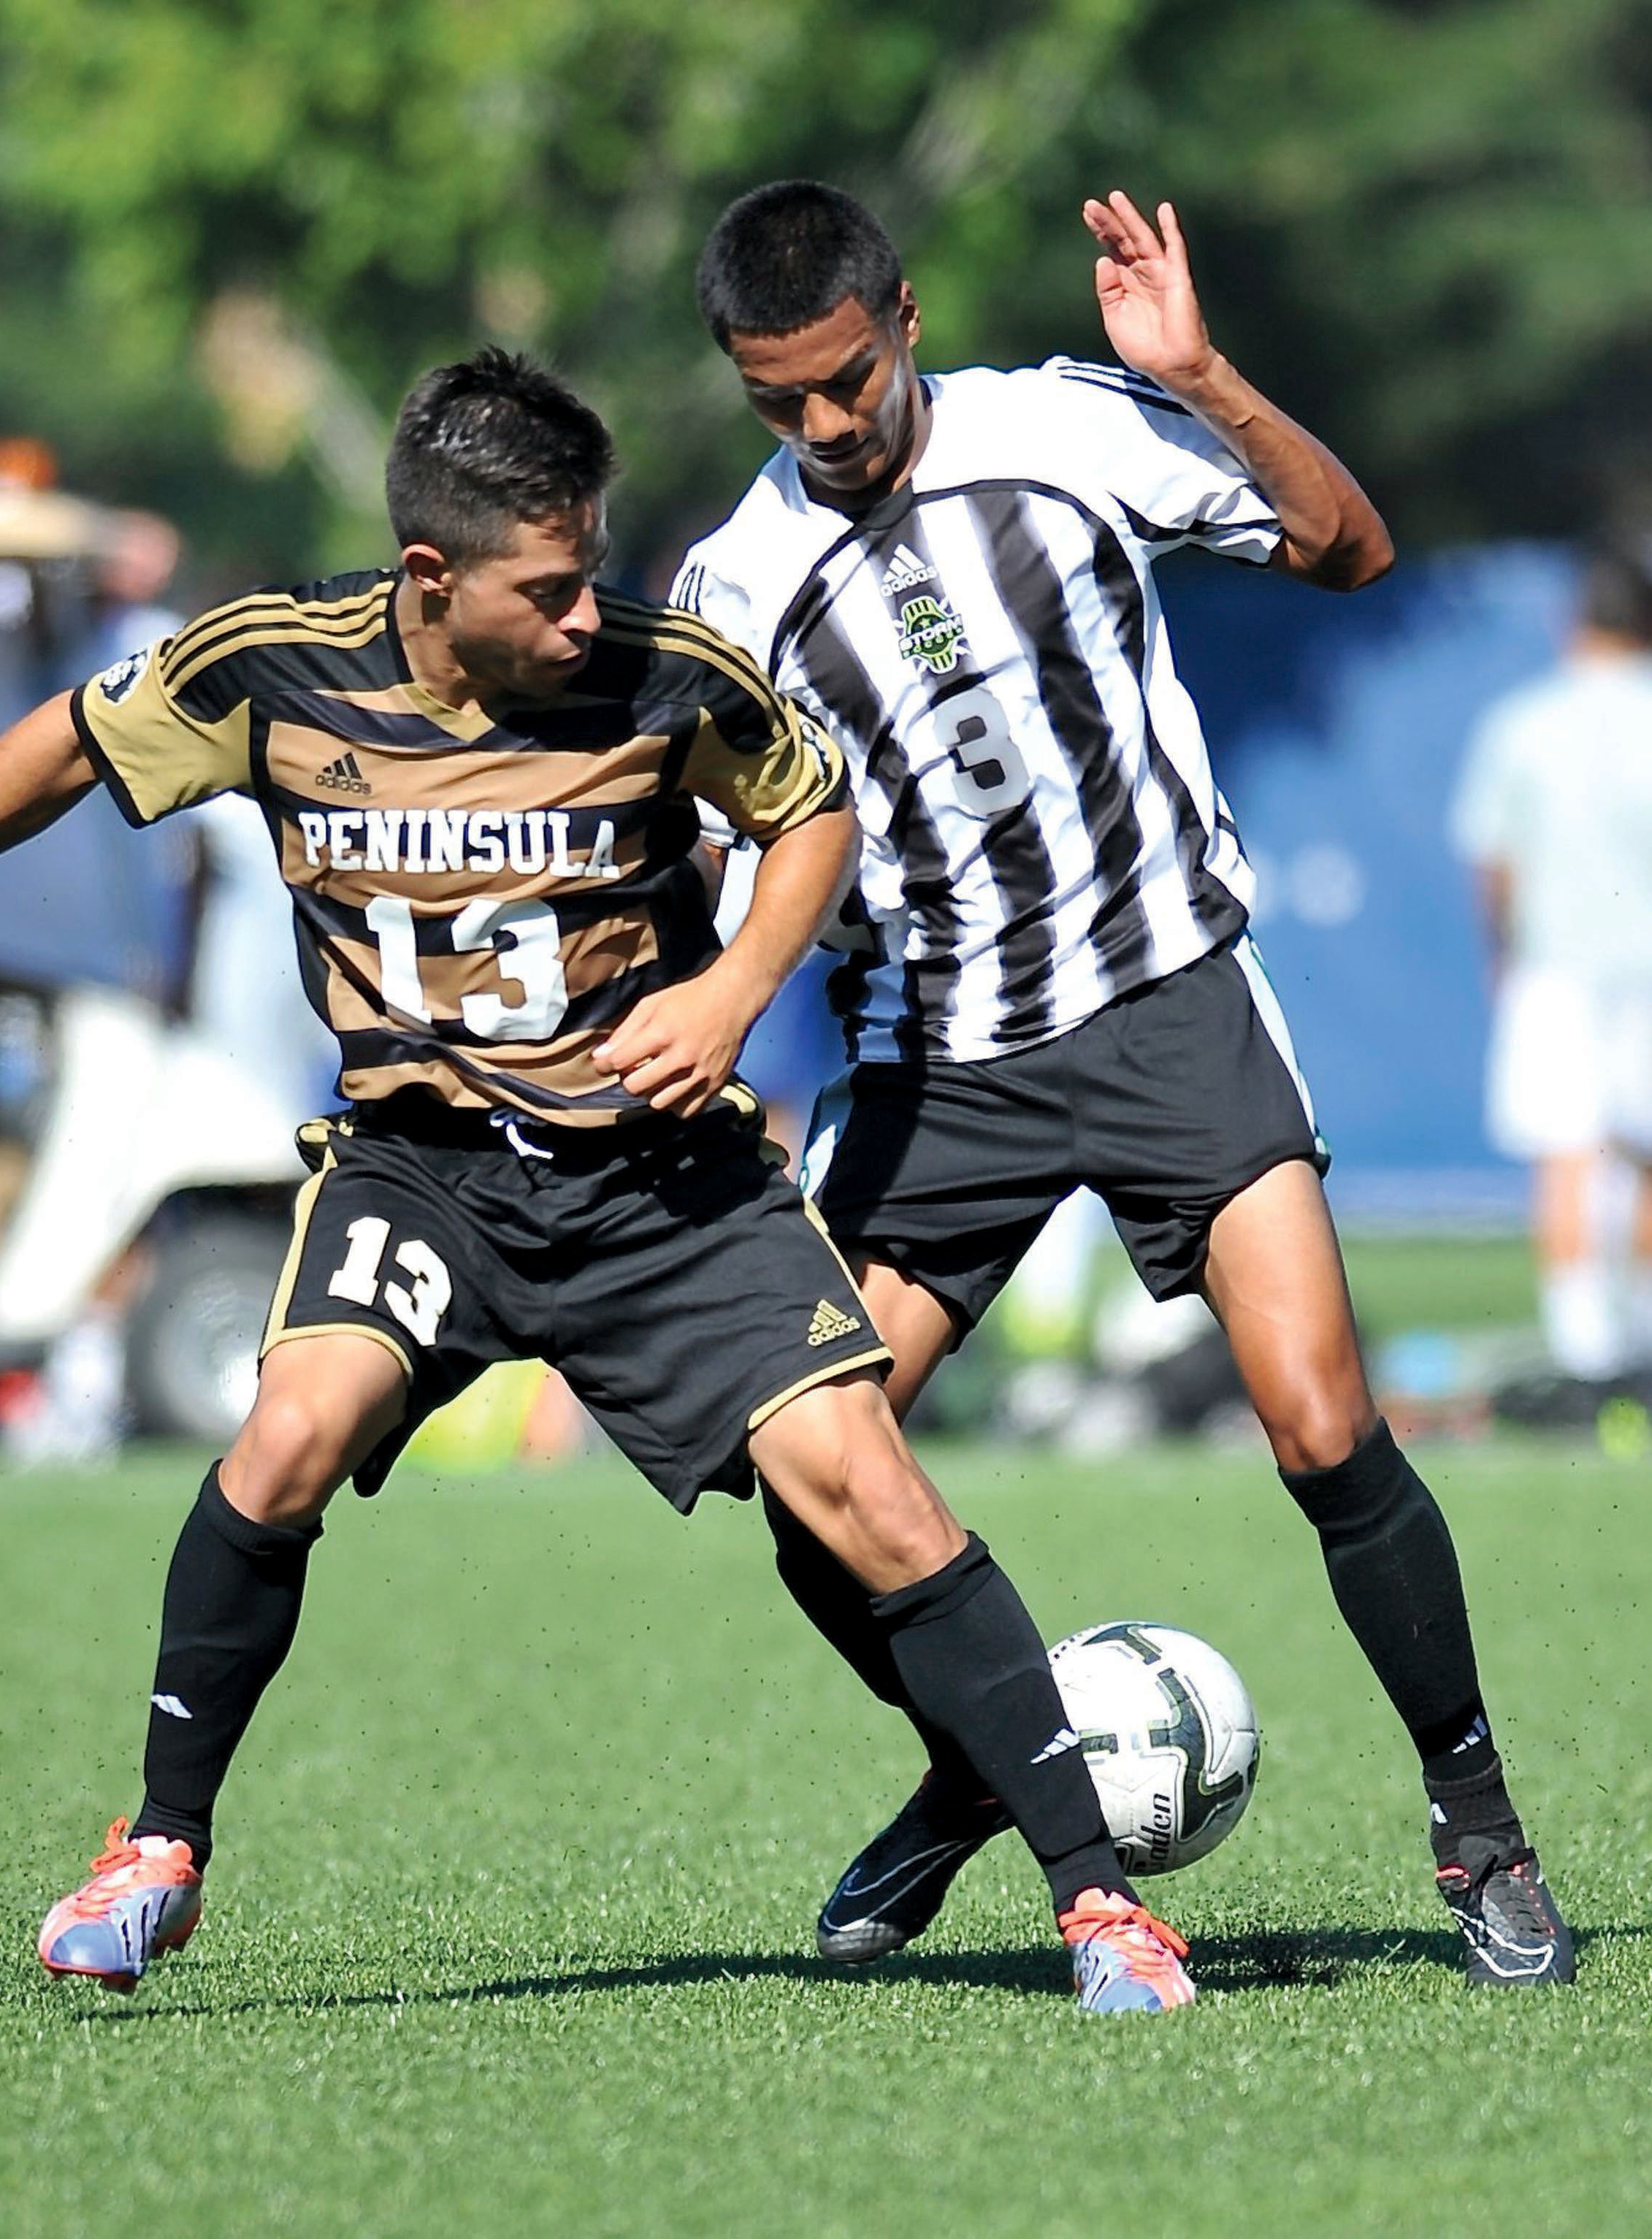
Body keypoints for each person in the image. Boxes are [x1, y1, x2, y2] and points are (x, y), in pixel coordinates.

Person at [0, 348, 1196, 2013]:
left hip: (661, 1186)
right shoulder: (273, 674)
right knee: (284, 1435)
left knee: (864, 1488)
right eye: (551, 584)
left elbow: (810, 815)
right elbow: (71, 747)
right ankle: (157, 1852)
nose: (589, 613)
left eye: (592, 570)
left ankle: (1096, 1907)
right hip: (423, 1174)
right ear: (430, 575)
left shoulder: (661, 675)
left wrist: (726, 995)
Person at [673, 180, 1573, 1989]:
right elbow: (732, 863)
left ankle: (1473, 1825)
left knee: (1319, 1422)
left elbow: (1344, 548)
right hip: (931, 1062)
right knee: (811, 1475)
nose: (823, 427)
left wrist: (1203, 372)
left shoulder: (1063, 428)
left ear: (902, 317)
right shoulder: (730, 591)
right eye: (778, 403)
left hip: (1162, 994)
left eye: (844, 380)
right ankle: (979, 1777)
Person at [1450, 547, 1652, 1385]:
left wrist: (1501, 952)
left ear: (1577, 625)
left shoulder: (1526, 723)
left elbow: (1495, 860)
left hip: (1557, 967)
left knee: (1567, 1154)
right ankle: (1641, 1342)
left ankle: (1585, 1352)